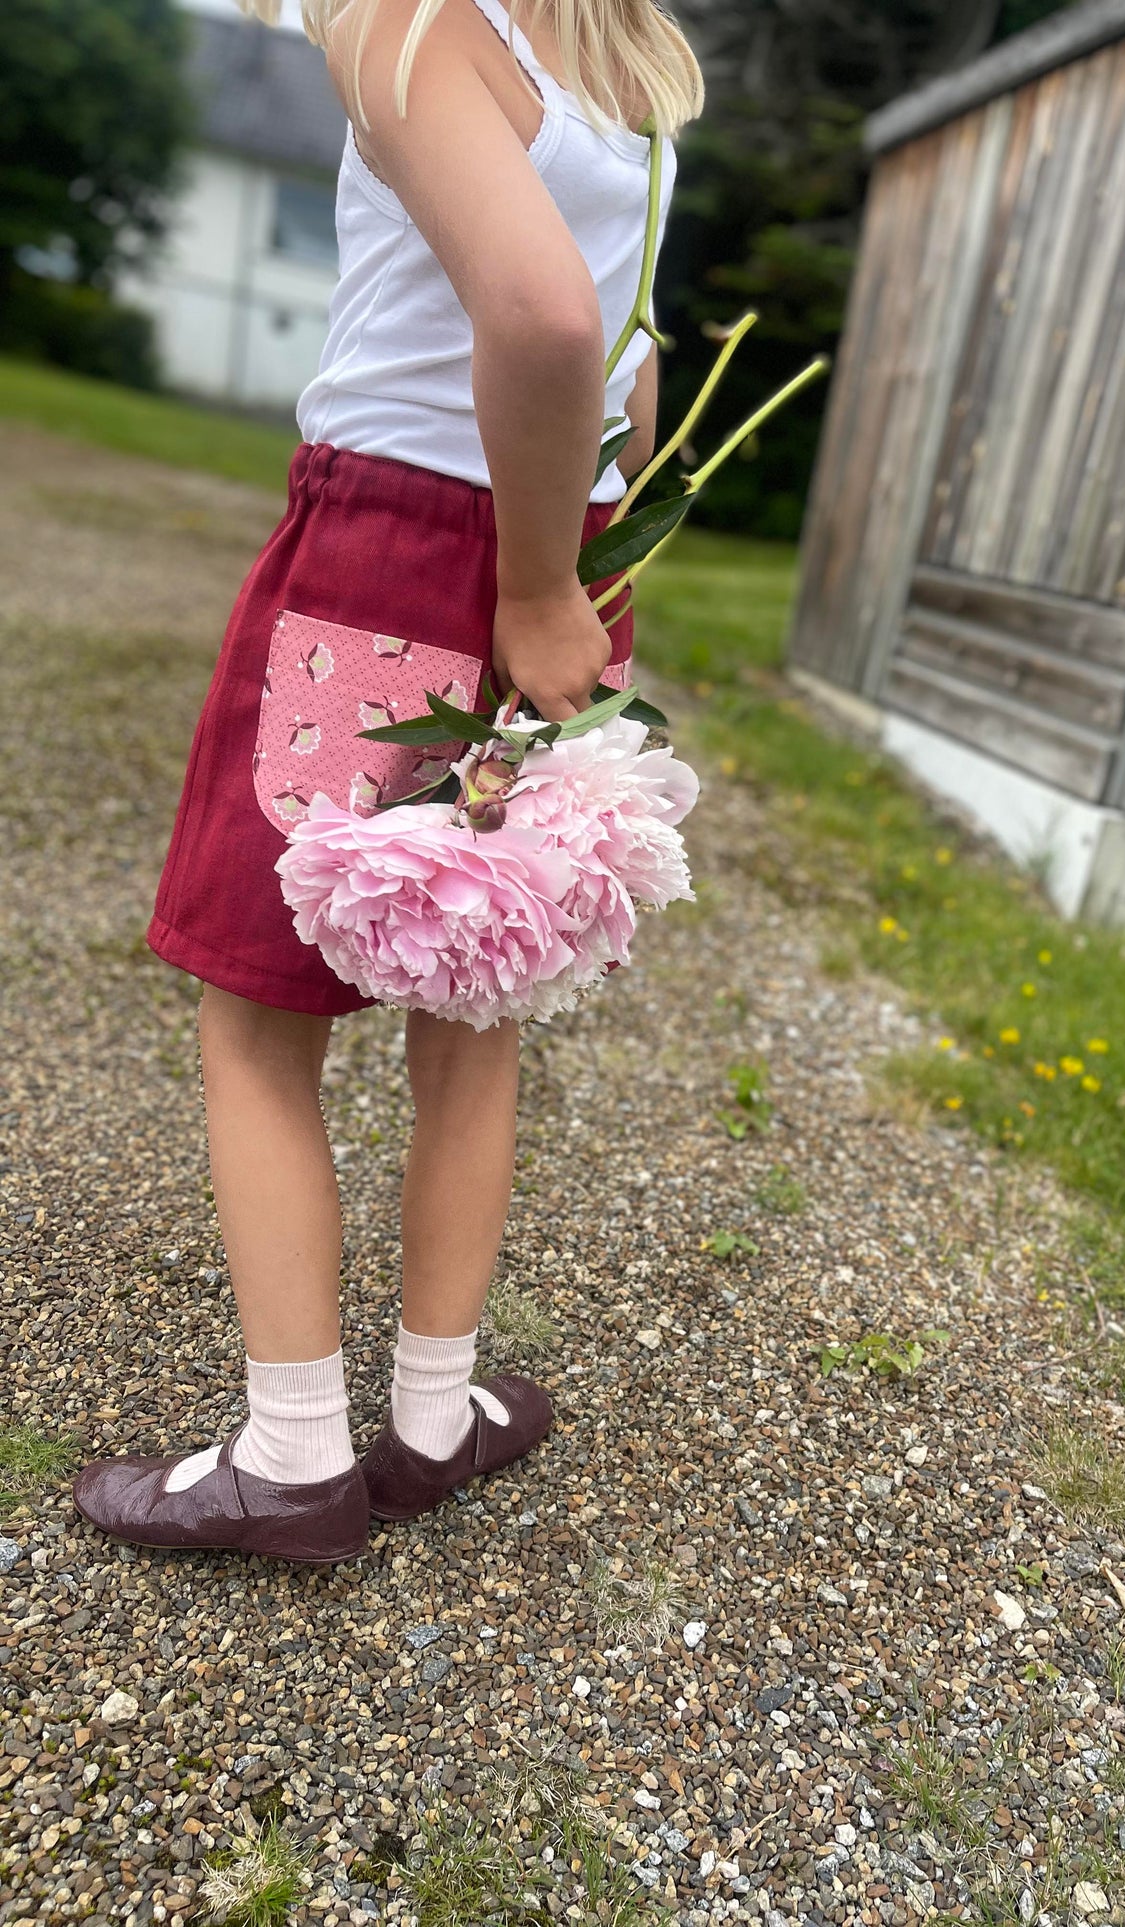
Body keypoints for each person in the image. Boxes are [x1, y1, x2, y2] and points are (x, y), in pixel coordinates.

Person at [73, 0, 702, 1562]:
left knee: (260, 1012)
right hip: (569, 553)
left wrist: (532, 586)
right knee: (471, 1000)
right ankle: (434, 1413)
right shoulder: (624, 65)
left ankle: (292, 1458)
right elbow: (625, 372)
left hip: (407, 558)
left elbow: (548, 321)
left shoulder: (403, 18)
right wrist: (575, 577)